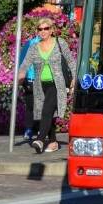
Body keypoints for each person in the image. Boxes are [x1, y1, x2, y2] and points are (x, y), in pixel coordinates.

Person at [16, 18, 76, 154]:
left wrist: (74, 79)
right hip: (39, 85)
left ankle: (40, 139)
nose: (43, 31)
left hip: (56, 84)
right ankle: (54, 142)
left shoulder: (60, 43)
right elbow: (24, 65)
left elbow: (71, 62)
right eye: (40, 29)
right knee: (47, 113)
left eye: (46, 28)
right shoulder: (33, 47)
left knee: (47, 110)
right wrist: (19, 78)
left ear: (52, 30)